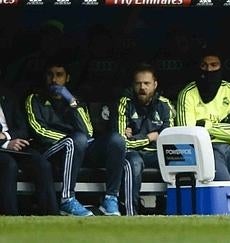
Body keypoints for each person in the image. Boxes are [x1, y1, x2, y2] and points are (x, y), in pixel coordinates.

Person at [25, 58, 126, 216]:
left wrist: (70, 100)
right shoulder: (35, 99)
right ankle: (67, 200)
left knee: (117, 140)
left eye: (59, 75)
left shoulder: (74, 101)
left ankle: (110, 199)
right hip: (51, 151)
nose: (54, 80)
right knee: (77, 140)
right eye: (50, 75)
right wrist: (71, 140)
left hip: (79, 148)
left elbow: (88, 132)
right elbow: (39, 131)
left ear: (67, 78)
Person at [176, 48, 230, 213]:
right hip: (205, 150)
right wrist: (224, 124)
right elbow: (189, 135)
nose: (209, 70)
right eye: (204, 66)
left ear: (221, 67)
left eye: (214, 65)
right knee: (226, 185)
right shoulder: (187, 94)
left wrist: (206, 125)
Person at [113, 63, 173, 216]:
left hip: (158, 153)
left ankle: (172, 211)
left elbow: (169, 138)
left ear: (155, 84)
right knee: (133, 162)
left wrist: (135, 137)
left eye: (146, 83)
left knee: (175, 157)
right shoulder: (125, 103)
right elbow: (123, 143)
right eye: (138, 83)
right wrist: (148, 138)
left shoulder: (164, 105)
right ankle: (131, 214)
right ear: (133, 85)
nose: (142, 87)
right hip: (134, 153)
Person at [0, 84, 57, 215]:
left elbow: (23, 129)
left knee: (42, 164)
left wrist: (7, 136)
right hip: (2, 149)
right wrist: (5, 144)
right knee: (9, 165)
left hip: (17, 144)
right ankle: (10, 215)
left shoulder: (7, 96)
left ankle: (51, 214)